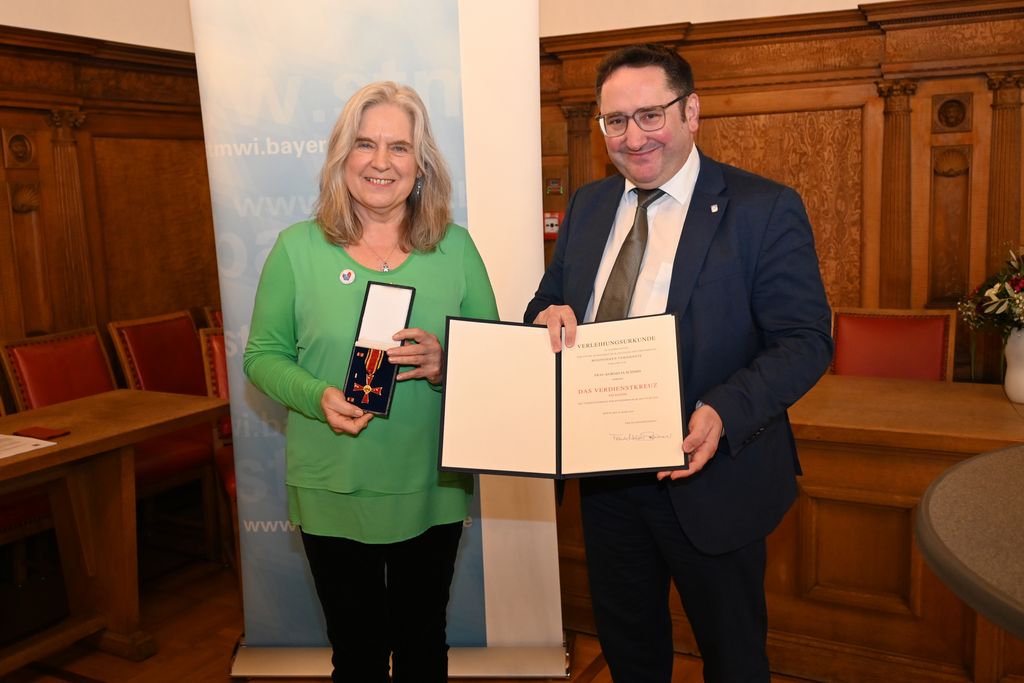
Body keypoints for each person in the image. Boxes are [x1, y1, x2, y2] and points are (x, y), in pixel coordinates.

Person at [524, 44, 833, 682]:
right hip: (606, 483)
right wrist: (542, 319)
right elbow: (549, 300)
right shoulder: (587, 206)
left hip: (711, 477)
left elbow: (805, 339)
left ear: (691, 111)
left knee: (733, 657)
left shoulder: (763, 208)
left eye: (650, 115)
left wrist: (722, 409)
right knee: (630, 651)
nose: (632, 136)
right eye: (615, 120)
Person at [244, 81, 498, 682]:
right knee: (355, 655)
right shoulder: (296, 249)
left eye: (399, 147)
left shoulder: (455, 249)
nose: (381, 161)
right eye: (364, 144)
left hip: (430, 483)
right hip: (334, 482)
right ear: (342, 158)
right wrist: (317, 396)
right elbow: (262, 355)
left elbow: (496, 361)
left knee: (421, 649)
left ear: (422, 164)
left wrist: (447, 364)